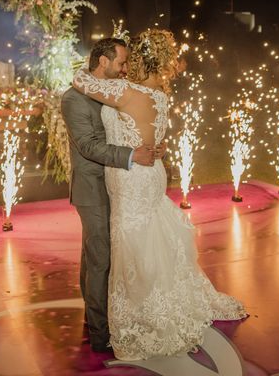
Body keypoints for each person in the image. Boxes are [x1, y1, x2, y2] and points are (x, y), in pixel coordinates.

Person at [72, 29, 246, 361]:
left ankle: (147, 314)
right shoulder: (160, 95)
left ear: (137, 61)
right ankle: (166, 302)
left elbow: (80, 82)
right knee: (151, 235)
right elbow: (147, 131)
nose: (123, 67)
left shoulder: (125, 90)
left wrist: (90, 64)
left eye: (127, 61)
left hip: (131, 176)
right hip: (152, 171)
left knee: (134, 242)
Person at [60, 37, 166, 353]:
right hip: (93, 188)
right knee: (100, 258)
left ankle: (109, 317)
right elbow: (89, 146)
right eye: (120, 62)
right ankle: (99, 332)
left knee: (102, 254)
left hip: (120, 185)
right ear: (102, 61)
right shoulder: (73, 99)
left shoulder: (114, 92)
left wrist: (154, 144)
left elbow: (136, 123)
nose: (124, 69)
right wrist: (133, 156)